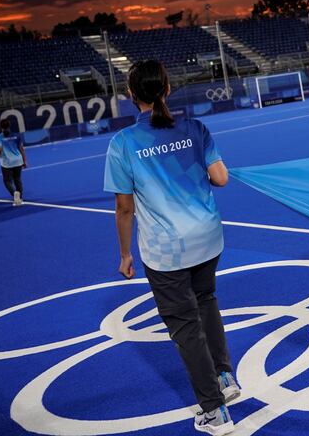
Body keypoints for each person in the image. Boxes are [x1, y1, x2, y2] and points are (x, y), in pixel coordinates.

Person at [104, 60, 240, 436]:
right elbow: (221, 178)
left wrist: (126, 254)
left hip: (168, 251)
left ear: (132, 96)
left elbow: (124, 207)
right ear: (166, 89)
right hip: (208, 238)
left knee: (185, 328)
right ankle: (226, 378)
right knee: (207, 302)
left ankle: (214, 412)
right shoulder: (195, 128)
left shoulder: (124, 144)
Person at [0, 119, 26, 206]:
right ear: (9, 126)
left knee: (7, 181)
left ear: (0, 127)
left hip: (6, 163)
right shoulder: (17, 136)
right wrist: (25, 161)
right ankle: (20, 197)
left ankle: (15, 194)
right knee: (17, 180)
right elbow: (21, 149)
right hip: (18, 161)